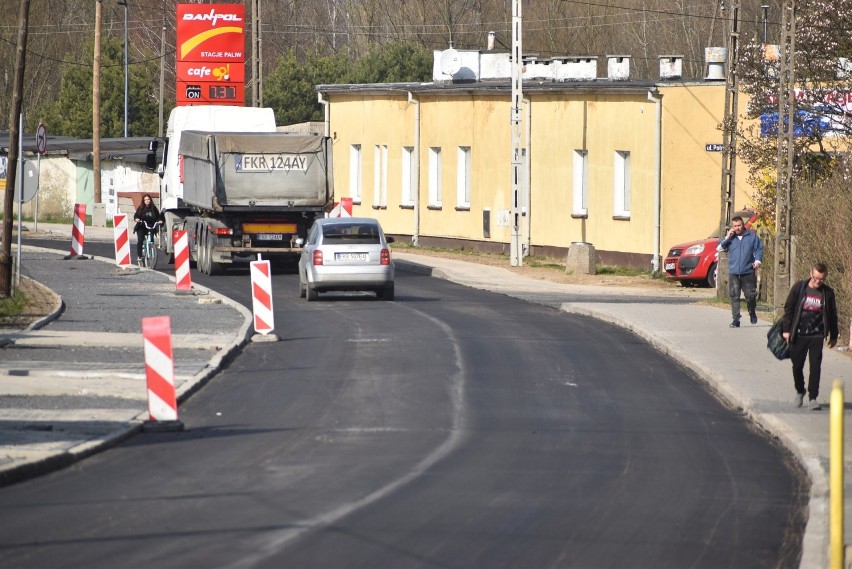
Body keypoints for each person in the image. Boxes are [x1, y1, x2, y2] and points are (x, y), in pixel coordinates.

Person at [782, 263, 838, 411]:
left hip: (817, 335)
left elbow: (832, 315)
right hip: (799, 333)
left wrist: (833, 335)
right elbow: (789, 308)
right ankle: (800, 390)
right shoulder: (800, 287)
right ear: (810, 273)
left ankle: (813, 397)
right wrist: (786, 329)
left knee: (815, 366)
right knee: (797, 366)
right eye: (816, 277)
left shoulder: (828, 293)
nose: (818, 281)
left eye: (821, 279)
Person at [716, 216, 763, 327]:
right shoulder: (730, 238)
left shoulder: (752, 236)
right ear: (732, 227)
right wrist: (728, 237)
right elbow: (719, 248)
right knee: (734, 296)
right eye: (735, 226)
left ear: (743, 225)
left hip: (748, 271)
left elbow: (759, 249)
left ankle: (752, 312)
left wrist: (757, 260)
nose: (737, 228)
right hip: (734, 272)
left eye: (739, 225)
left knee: (750, 295)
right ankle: (736, 320)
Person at [133, 194, 162, 264]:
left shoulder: (153, 208)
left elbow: (158, 216)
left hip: (150, 226)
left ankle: (151, 249)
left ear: (150, 200)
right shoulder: (141, 208)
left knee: (151, 240)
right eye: (145, 200)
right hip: (141, 226)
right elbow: (136, 215)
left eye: (148, 199)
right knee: (140, 240)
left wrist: (160, 220)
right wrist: (137, 219)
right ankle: (140, 256)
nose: (147, 201)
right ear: (143, 201)